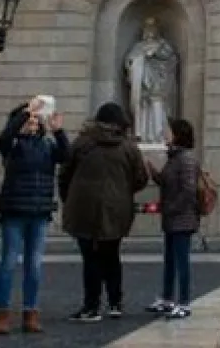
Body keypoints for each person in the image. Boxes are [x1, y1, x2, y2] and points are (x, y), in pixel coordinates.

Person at [59, 101, 150, 322]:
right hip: (116, 209)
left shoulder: (82, 143)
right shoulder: (128, 147)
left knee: (89, 258)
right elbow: (141, 178)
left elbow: (64, 174)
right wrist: (123, 191)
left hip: (83, 207)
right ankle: (115, 302)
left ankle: (91, 306)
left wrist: (69, 198)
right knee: (111, 255)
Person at [0, 96, 69, 335]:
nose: (33, 124)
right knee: (8, 263)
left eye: (36, 120)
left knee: (34, 265)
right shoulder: (12, 146)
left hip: (39, 211)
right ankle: (2, 312)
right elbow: (5, 136)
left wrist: (59, 132)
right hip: (14, 211)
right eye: (30, 120)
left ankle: (30, 312)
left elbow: (66, 155)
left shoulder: (47, 145)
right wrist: (26, 111)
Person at [147, 116, 202, 319]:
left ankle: (184, 302)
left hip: (182, 219)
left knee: (181, 262)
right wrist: (153, 172)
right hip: (173, 218)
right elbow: (167, 181)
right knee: (170, 260)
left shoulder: (185, 159)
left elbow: (188, 191)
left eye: (169, 131)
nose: (165, 134)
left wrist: (171, 208)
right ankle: (168, 298)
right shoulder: (174, 158)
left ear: (178, 135)